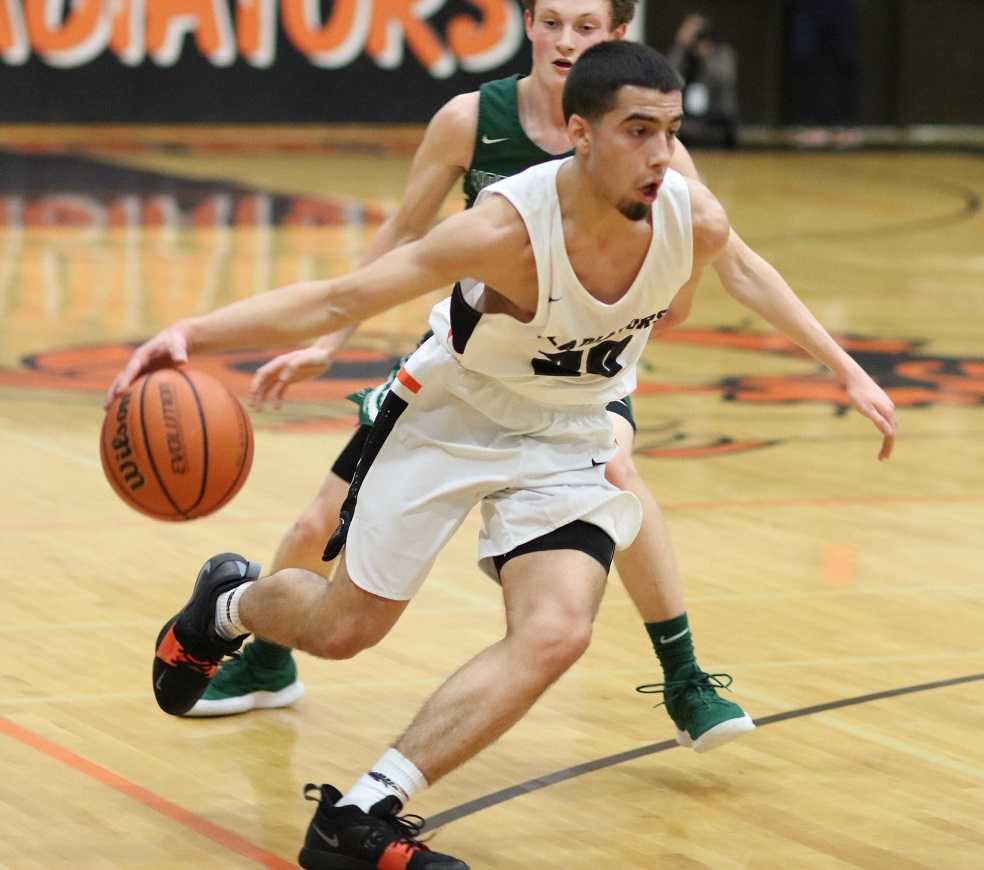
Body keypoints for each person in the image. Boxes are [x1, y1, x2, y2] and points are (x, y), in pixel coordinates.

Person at [109, 41, 896, 868]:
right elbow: (340, 297)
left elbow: (748, 272)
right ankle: (227, 608)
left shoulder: (688, 213)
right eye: (637, 131)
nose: (661, 154)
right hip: (449, 419)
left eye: (669, 130)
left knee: (557, 630)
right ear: (578, 132)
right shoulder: (504, 232)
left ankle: (363, 814)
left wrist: (843, 370)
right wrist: (189, 334)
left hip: (566, 435)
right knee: (343, 631)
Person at [184, 0, 751, 756]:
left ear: (617, 37)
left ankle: (682, 675)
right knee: (317, 524)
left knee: (615, 468)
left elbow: (725, 253)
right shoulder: (472, 119)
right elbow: (402, 234)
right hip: (474, 358)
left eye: (584, 27)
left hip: (582, 366)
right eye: (549, 22)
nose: (564, 41)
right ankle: (265, 653)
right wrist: (332, 338)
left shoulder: (645, 138)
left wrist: (837, 365)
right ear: (526, 23)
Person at [786, 0, 864, 148]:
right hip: (808, 6)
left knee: (845, 59)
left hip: (843, 5)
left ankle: (845, 124)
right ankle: (810, 123)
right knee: (805, 58)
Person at [667, 12, 739, 148]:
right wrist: (680, 46)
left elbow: (724, 79)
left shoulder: (722, 51)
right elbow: (669, 74)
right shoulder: (684, 53)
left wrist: (707, 57)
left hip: (717, 116)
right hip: (687, 114)